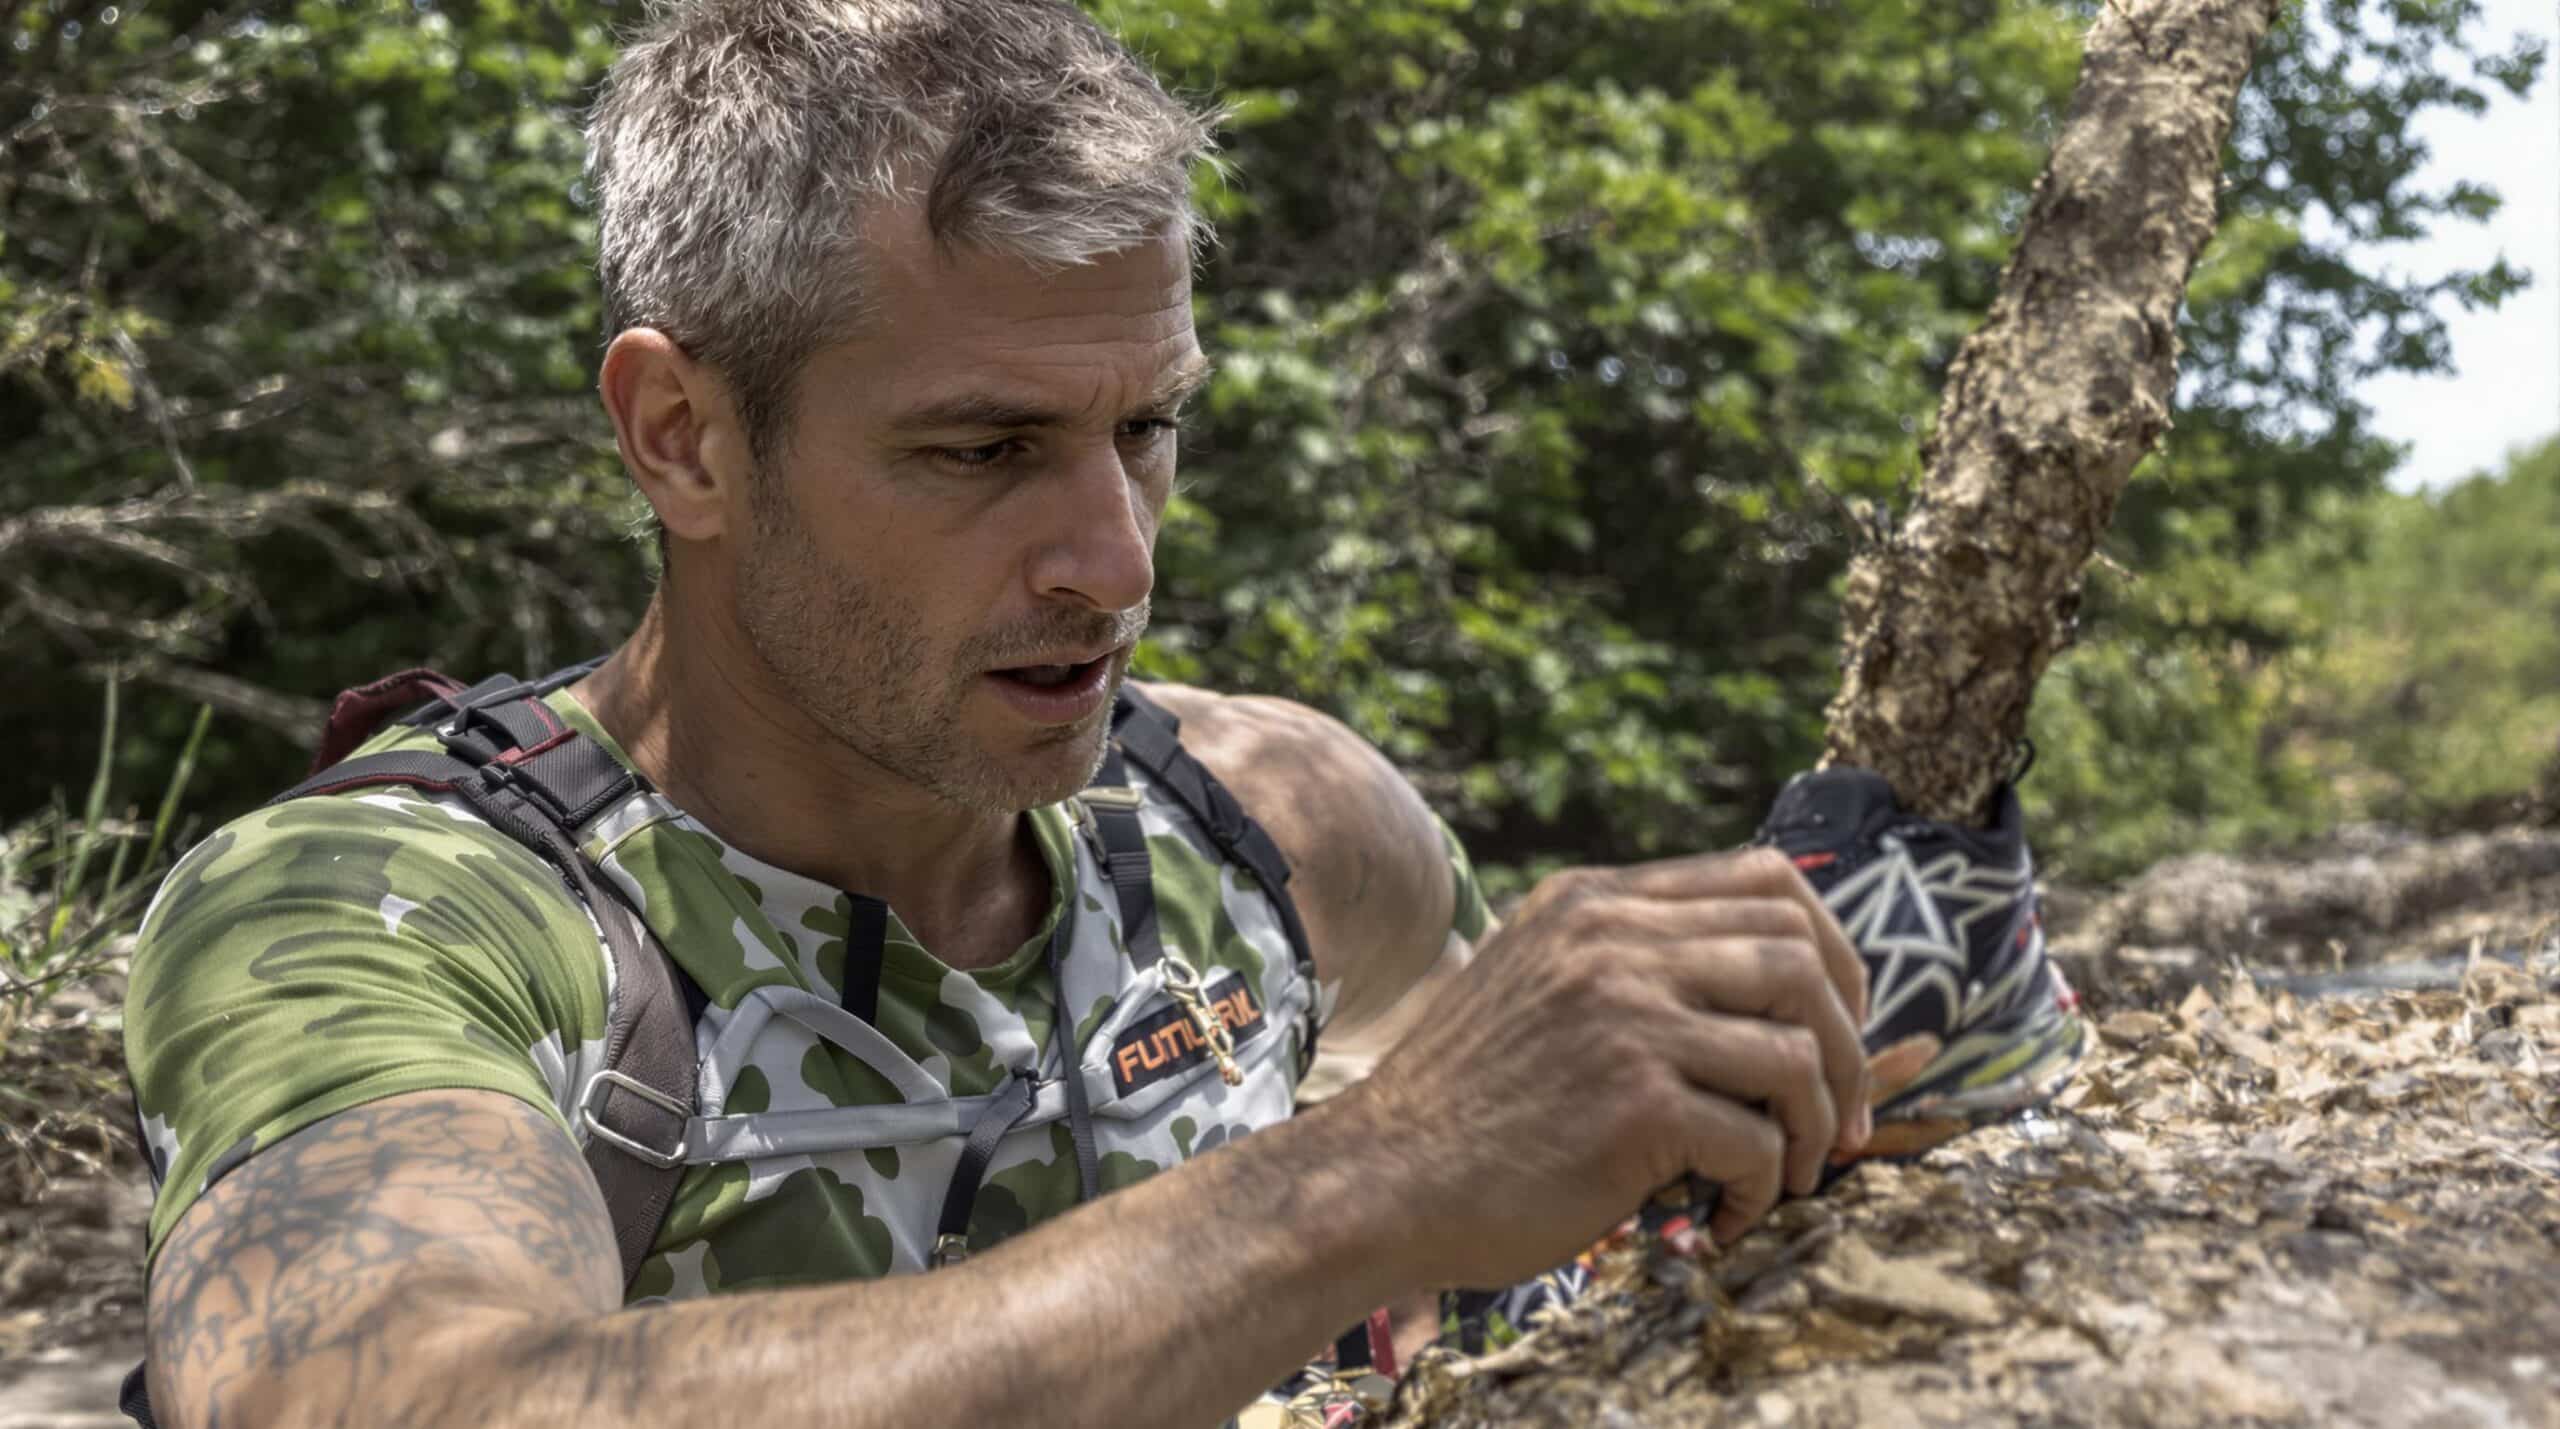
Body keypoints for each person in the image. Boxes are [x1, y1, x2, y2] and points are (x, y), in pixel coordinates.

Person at [119, 2, 2083, 1425]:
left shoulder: (1273, 822)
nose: (1111, 557)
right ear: (683, 435)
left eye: (1144, 429)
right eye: (982, 448)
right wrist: (1357, 1176)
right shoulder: (376, 913)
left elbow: (1527, 1240)